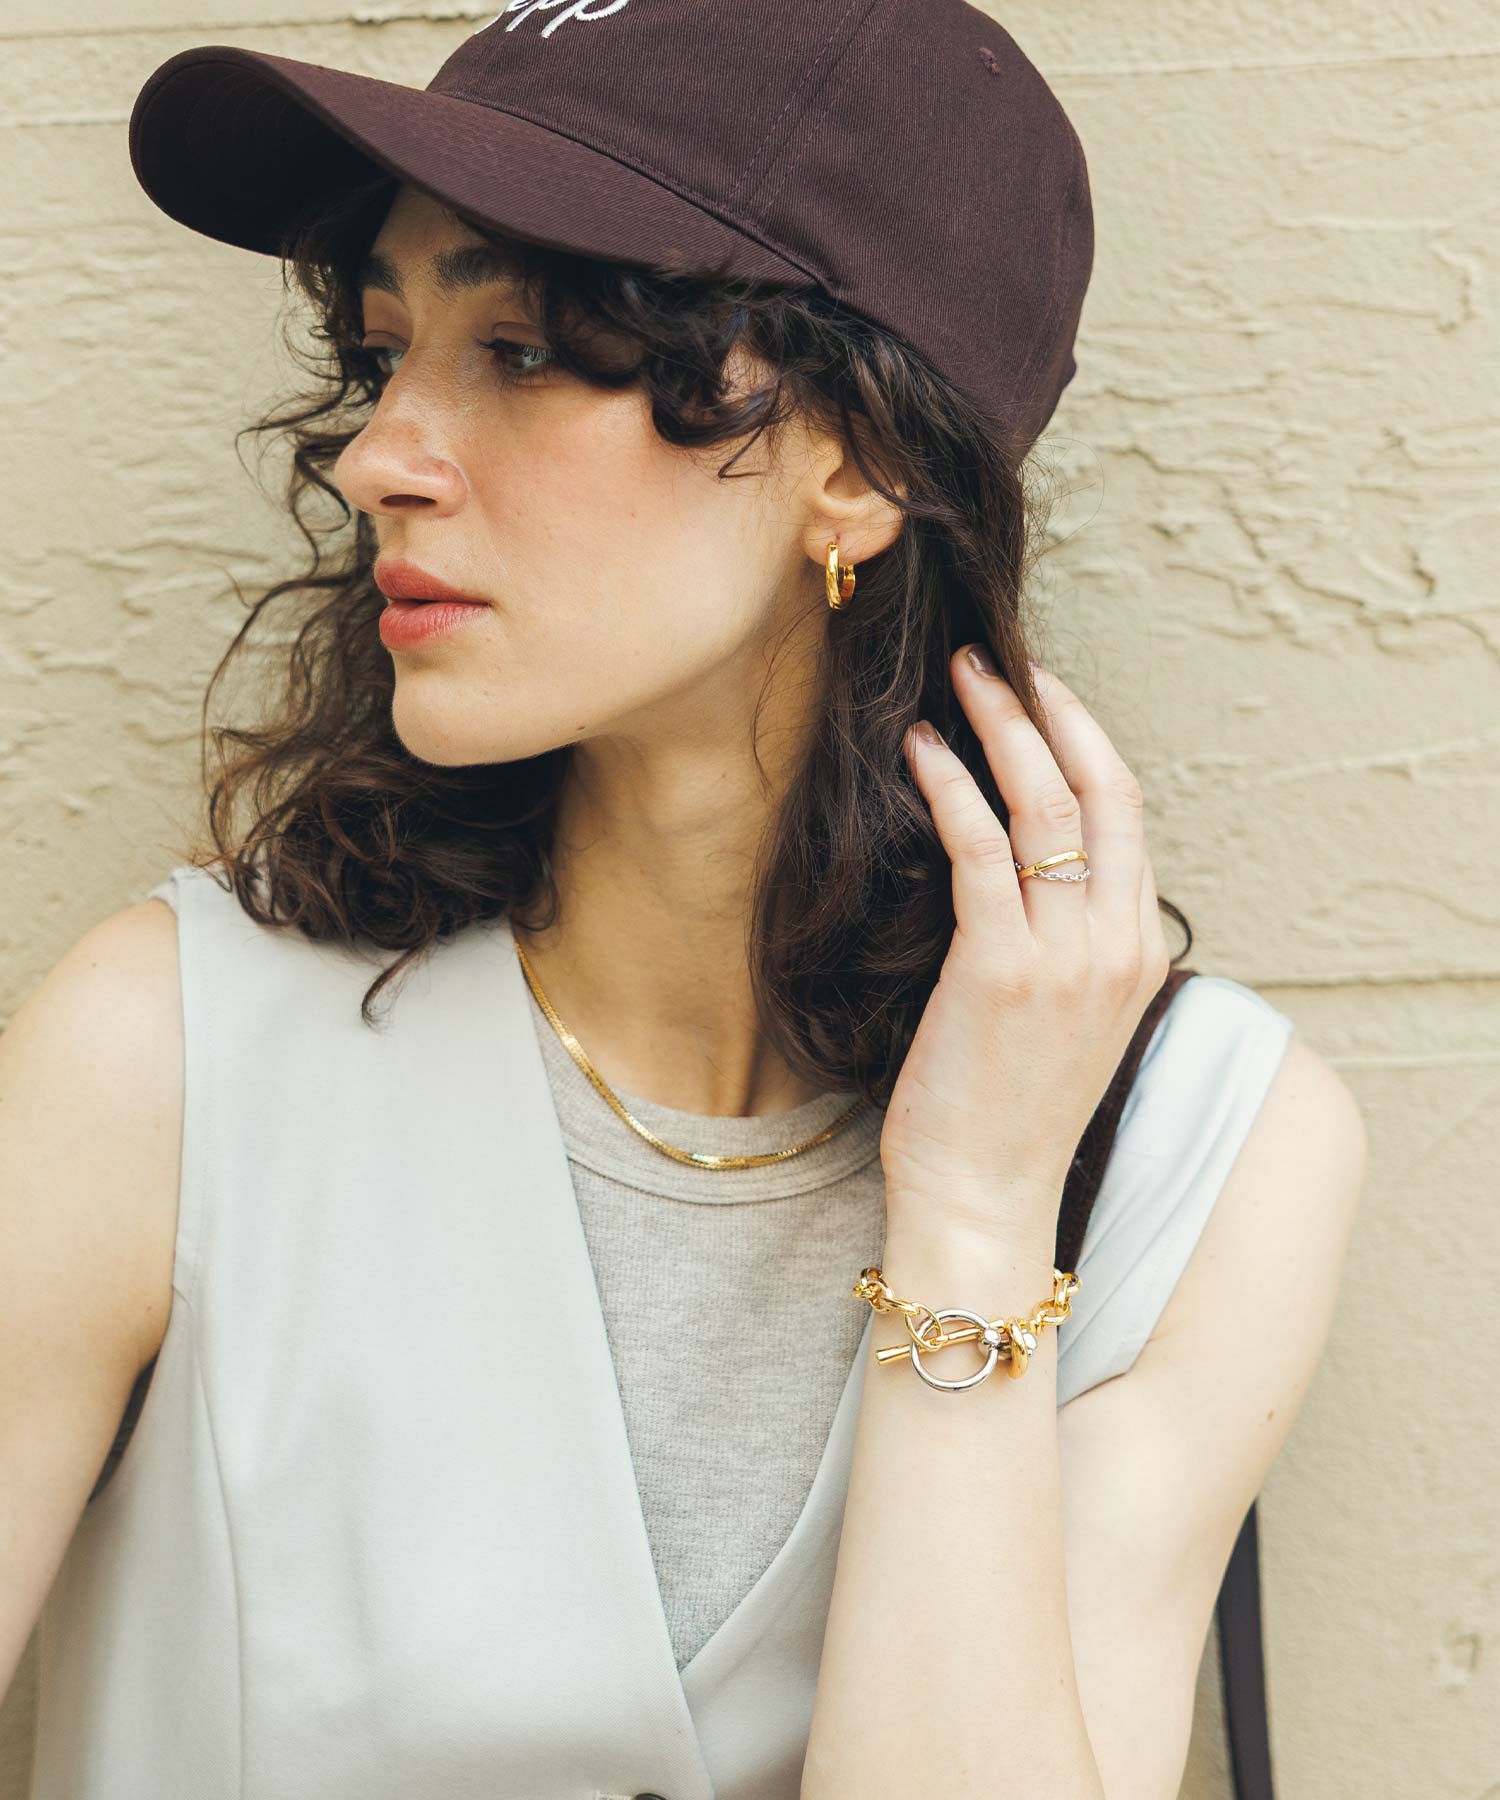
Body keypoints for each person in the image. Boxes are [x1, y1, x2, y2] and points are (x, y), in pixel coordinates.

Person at [1, 5, 1367, 1796]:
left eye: (522, 351)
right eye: (388, 351)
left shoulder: (1203, 1148)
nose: (379, 456)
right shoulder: (168, 1057)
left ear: (859, 463)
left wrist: (974, 1214)